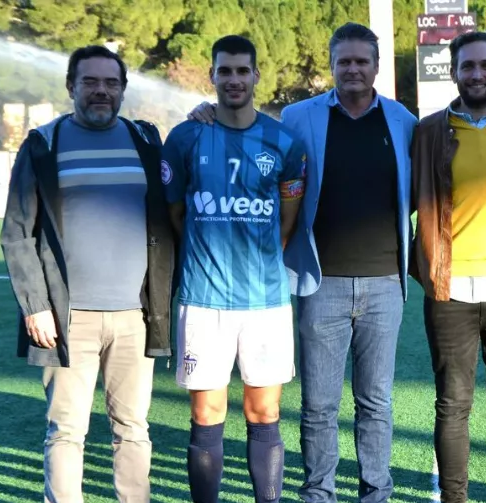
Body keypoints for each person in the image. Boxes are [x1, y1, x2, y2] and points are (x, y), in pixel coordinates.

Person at [187, 23, 416, 502]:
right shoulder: (297, 117)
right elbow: (254, 138)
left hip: (384, 282)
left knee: (376, 402)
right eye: (344, 61)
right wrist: (203, 112)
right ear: (331, 64)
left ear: (376, 65)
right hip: (319, 280)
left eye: (362, 61)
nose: (353, 69)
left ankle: (376, 492)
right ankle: (319, 493)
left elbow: (412, 194)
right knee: (319, 405)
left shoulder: (402, 121)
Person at [0, 45, 174, 502]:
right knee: (66, 431)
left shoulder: (144, 141)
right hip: (66, 319)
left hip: (136, 318)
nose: (101, 91)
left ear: (122, 89)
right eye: (91, 82)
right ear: (71, 86)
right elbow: (17, 232)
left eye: (111, 83)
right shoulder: (44, 143)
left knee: (134, 428)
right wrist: (36, 306)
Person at [162, 35, 305, 503]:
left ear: (257, 75)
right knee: (207, 414)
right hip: (203, 301)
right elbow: (177, 214)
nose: (234, 79)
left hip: (265, 301)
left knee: (264, 413)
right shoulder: (186, 136)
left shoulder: (284, 140)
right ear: (213, 76)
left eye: (243, 70)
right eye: (225, 71)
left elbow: (287, 221)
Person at [410, 31, 486, 503]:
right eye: (468, 66)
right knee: (453, 405)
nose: (477, 74)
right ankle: (454, 497)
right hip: (448, 292)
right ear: (454, 72)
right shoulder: (427, 132)